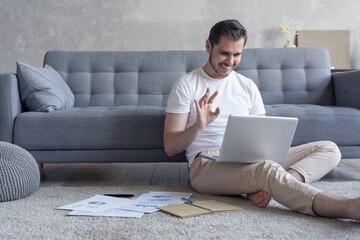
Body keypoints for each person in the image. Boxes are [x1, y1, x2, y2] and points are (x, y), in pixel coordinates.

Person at [163, 19, 360, 220]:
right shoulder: (187, 84)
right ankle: (346, 207)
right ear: (208, 46)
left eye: (237, 54)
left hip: (251, 158)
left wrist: (268, 160)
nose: (230, 61)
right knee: (267, 170)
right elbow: (171, 146)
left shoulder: (247, 85)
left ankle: (276, 186)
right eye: (224, 53)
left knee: (329, 149)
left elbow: (263, 136)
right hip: (206, 165)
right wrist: (199, 126)